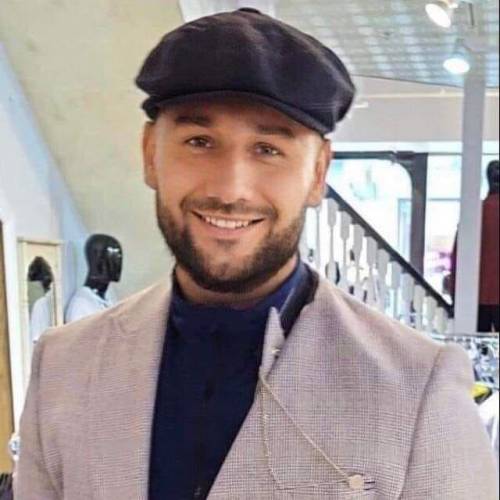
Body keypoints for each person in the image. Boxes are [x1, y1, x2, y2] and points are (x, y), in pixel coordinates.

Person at [14, 8, 497, 500]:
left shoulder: (418, 387)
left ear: (317, 172)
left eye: (268, 149)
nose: (230, 189)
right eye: (199, 141)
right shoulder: (65, 365)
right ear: (149, 155)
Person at [449, 160, 500, 332]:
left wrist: (455, 294)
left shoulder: (474, 212)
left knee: (476, 346)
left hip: (475, 294)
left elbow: (457, 257)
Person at [64, 234, 122, 322]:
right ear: (99, 262)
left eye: (119, 259)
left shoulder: (107, 301)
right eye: (114, 259)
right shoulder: (81, 305)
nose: (119, 265)